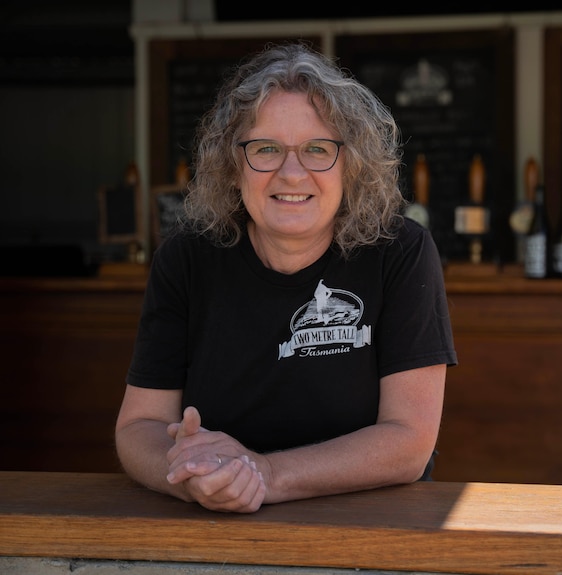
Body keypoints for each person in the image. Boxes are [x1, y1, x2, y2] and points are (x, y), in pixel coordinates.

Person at [115, 42, 457, 513]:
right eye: (266, 149)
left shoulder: (399, 252)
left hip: (372, 528)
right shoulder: (186, 259)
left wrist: (264, 474)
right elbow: (139, 428)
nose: (291, 173)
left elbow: (409, 442)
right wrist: (191, 476)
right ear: (232, 166)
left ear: (350, 167)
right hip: (217, 529)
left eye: (318, 149)